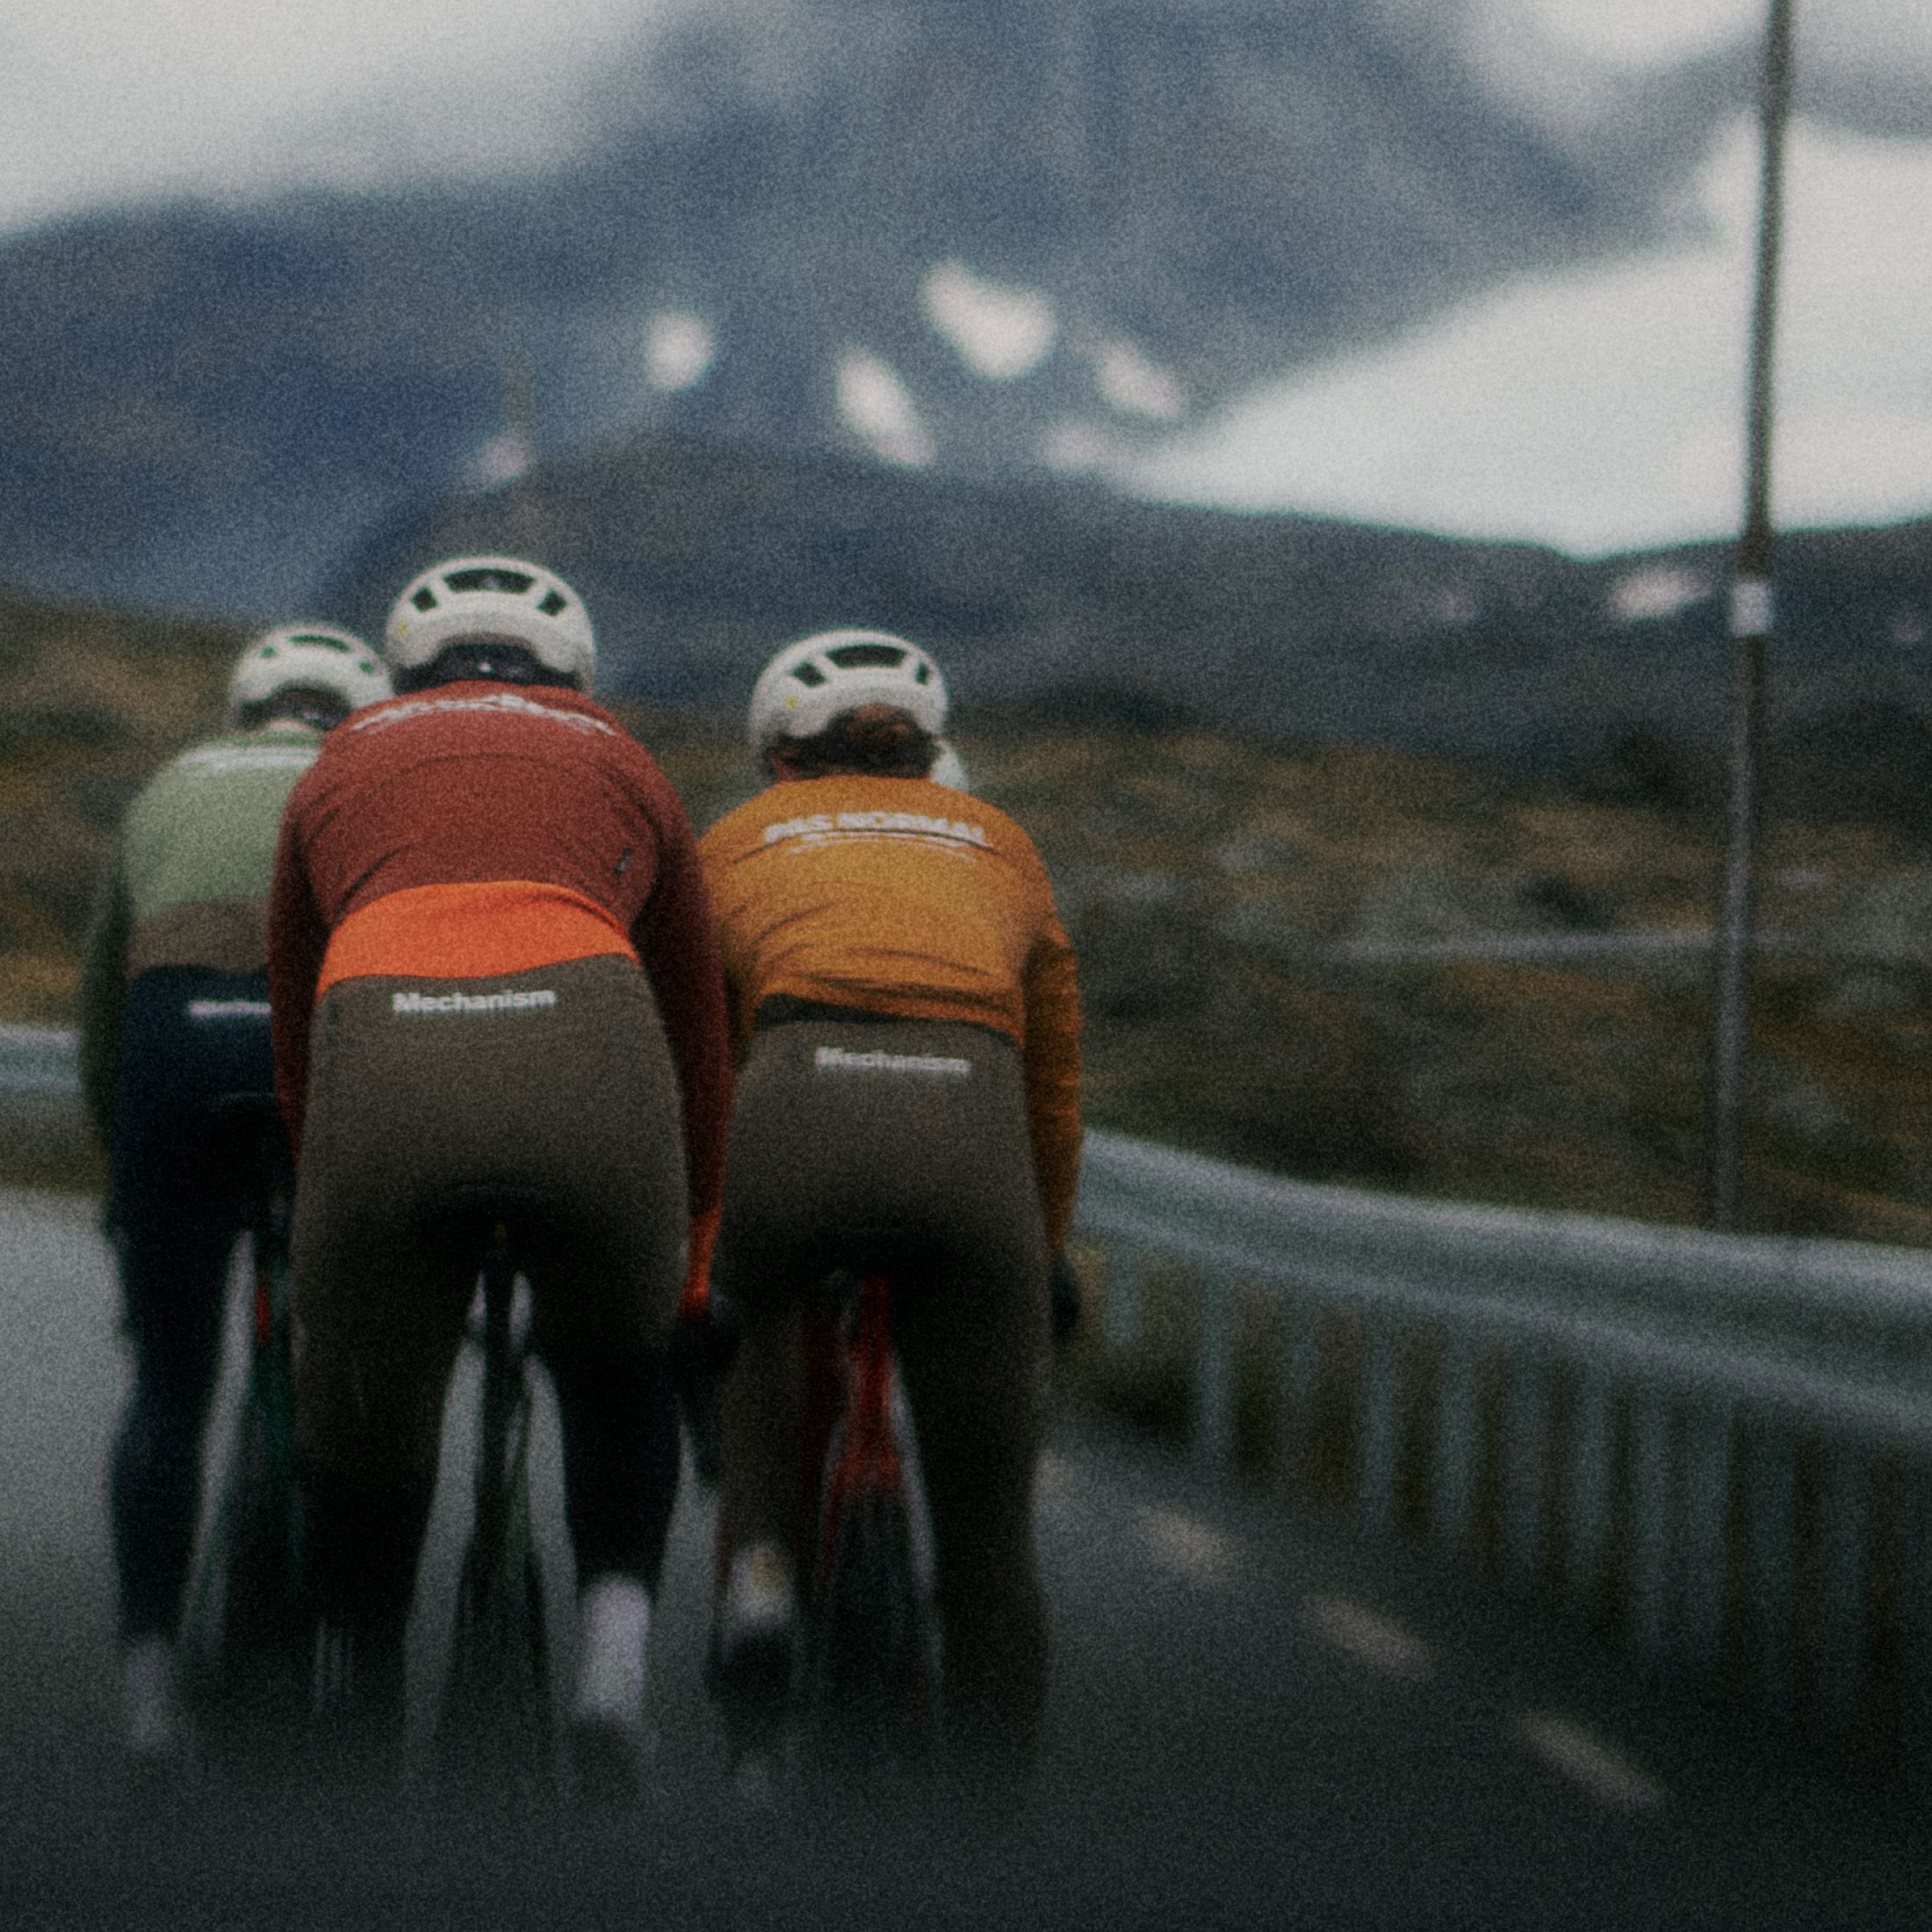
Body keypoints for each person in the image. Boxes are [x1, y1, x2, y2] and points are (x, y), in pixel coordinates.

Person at [264, 555, 731, 1795]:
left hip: (385, 1062)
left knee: (366, 1410)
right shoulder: (625, 756)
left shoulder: (338, 758)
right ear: (571, 671)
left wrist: (332, 1204)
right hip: (595, 1052)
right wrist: (692, 1246)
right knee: (620, 1372)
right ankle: (612, 1674)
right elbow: (697, 1029)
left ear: (403, 669)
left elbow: (296, 1028)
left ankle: (360, 1687)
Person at [698, 627, 1082, 1779]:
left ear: (778, 757)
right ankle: (989, 1810)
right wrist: (1041, 1252)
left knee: (758, 1335)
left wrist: (701, 1252)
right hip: (971, 1144)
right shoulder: (1004, 845)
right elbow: (1052, 1094)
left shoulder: (735, 839)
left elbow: (695, 1066)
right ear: (929, 751)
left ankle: (760, 1581)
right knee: (989, 1541)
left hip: (794, 1117)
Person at [79, 624, 393, 1771]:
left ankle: (148, 1688)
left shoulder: (172, 780)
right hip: (316, 1043)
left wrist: (126, 1174)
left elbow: (103, 1004)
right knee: (353, 1355)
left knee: (170, 1382)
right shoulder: (364, 780)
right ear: (356, 715)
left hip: (173, 1051)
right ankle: (349, 1635)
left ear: (243, 709)